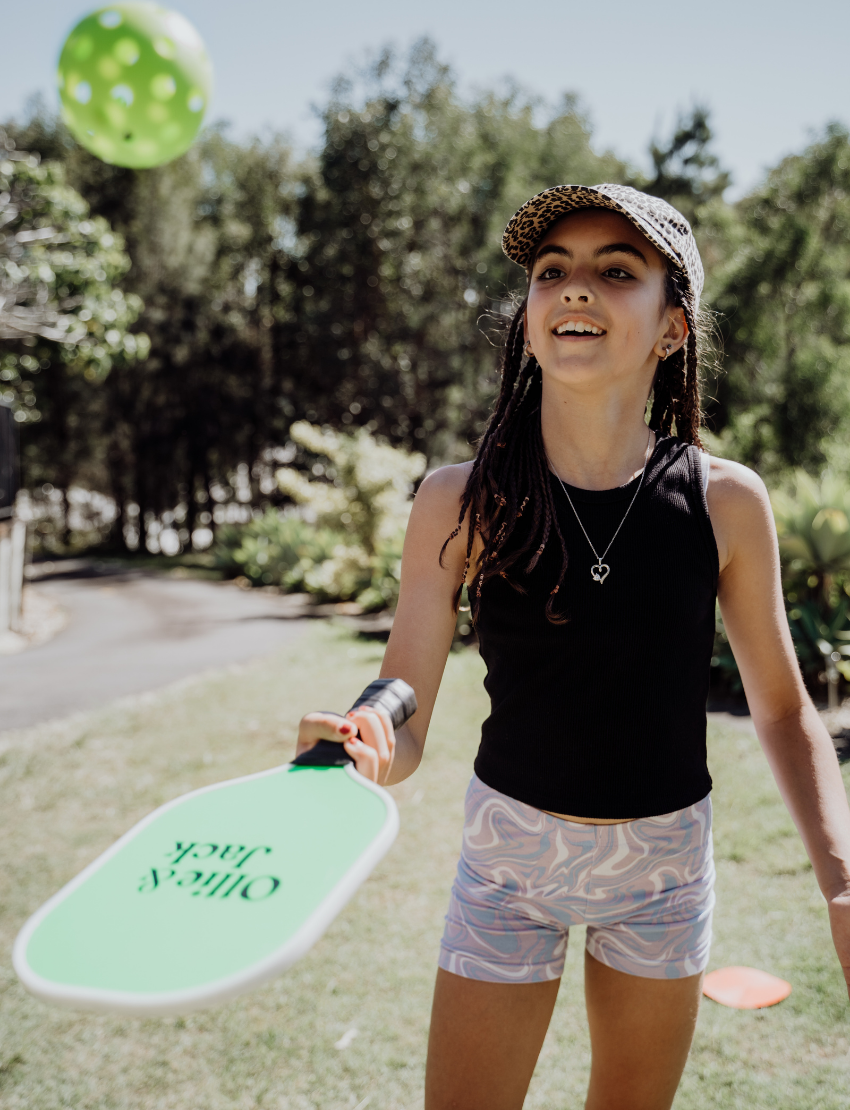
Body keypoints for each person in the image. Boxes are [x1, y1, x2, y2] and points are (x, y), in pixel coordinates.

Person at [296, 184, 850, 1110]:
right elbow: (406, 695)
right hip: (508, 862)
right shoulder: (458, 500)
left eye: (616, 271)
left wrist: (841, 881)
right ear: (529, 318)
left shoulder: (727, 503)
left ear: (674, 328)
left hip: (665, 872)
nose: (575, 288)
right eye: (552, 272)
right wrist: (367, 739)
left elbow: (785, 708)